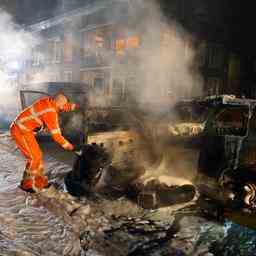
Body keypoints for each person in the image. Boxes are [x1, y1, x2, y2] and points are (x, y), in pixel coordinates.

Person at [10, 93, 80, 192]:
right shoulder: (51, 112)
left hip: (25, 130)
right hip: (20, 130)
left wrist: (76, 106)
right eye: (63, 106)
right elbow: (56, 136)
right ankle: (27, 184)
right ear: (59, 104)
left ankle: (39, 182)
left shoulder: (49, 102)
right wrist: (70, 147)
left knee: (38, 155)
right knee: (34, 157)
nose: (63, 109)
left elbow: (61, 105)